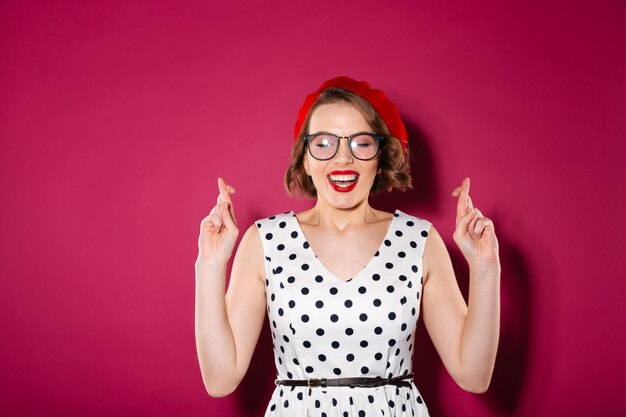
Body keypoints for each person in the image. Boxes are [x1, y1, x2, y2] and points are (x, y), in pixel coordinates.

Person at [195, 77, 500, 417]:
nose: (343, 159)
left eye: (361, 143)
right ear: (305, 160)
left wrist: (486, 267)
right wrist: (210, 264)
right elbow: (220, 380)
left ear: (381, 156)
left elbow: (473, 376)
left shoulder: (420, 241)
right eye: (323, 143)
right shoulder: (265, 240)